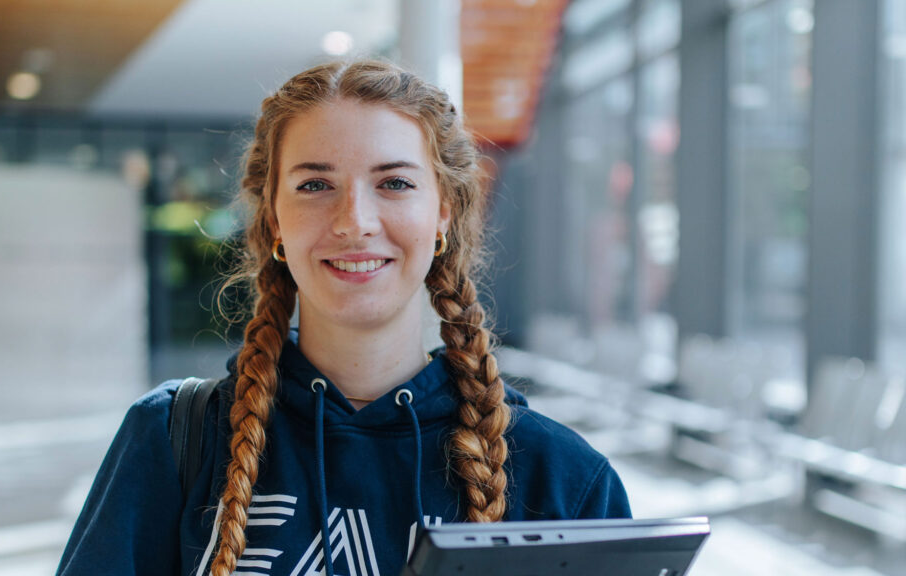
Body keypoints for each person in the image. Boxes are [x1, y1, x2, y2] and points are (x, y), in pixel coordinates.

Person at [56, 59, 630, 576]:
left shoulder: (565, 481)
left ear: (443, 214)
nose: (354, 220)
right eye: (315, 185)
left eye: (395, 183)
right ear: (275, 220)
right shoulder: (172, 442)